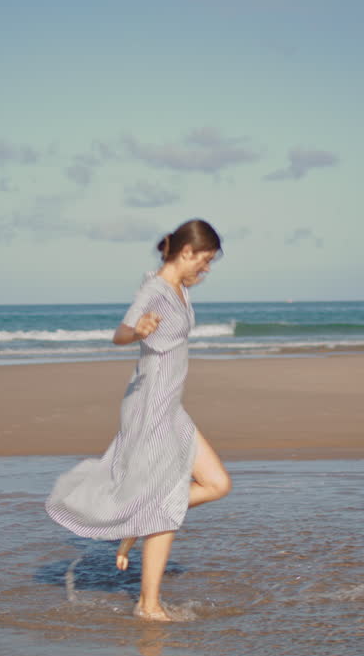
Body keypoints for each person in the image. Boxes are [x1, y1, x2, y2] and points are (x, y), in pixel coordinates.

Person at [45, 219, 231, 621]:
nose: (206, 268)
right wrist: (138, 331)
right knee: (165, 505)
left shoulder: (179, 288)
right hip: (151, 406)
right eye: (204, 260)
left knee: (217, 483)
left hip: (170, 405)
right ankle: (148, 605)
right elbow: (120, 333)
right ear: (186, 252)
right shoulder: (154, 289)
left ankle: (136, 522)